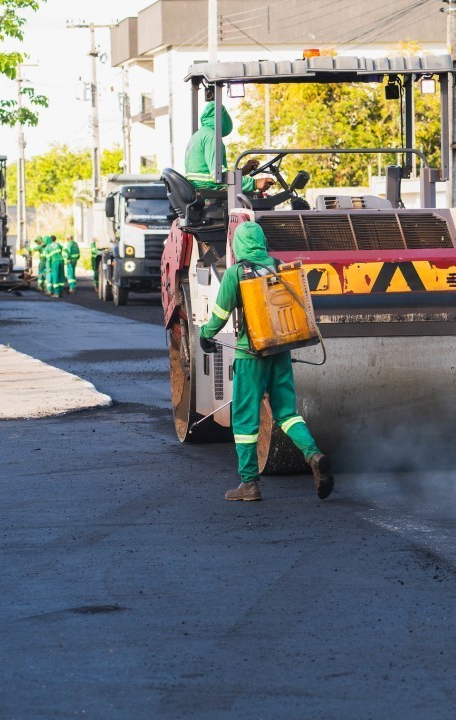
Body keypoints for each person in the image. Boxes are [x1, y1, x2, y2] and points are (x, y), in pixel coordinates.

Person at [199, 221, 333, 502]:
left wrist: (205, 335)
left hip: (251, 356)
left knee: (245, 419)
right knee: (286, 413)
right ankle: (313, 454)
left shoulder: (238, 272)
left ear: (238, 246)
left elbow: (221, 313)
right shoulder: (280, 265)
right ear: (261, 240)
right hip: (281, 351)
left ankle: (249, 483)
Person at [185, 103, 274, 194]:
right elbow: (218, 175)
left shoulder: (198, 135)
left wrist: (242, 172)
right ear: (220, 118)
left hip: (202, 189)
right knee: (256, 200)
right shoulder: (211, 137)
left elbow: (208, 172)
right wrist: (254, 183)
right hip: (209, 191)